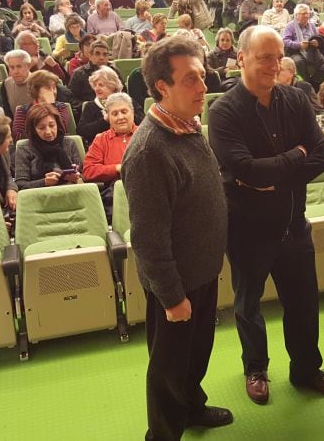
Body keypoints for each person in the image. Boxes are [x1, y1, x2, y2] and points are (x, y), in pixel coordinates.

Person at [208, 26, 324, 405]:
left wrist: (276, 174)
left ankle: (306, 369)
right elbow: (245, 169)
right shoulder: (222, 111)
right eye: (263, 57)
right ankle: (256, 368)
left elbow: (320, 155)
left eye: (277, 56)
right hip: (247, 232)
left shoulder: (297, 100)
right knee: (248, 306)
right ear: (241, 59)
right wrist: (294, 157)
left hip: (293, 225)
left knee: (304, 303)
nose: (274, 64)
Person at [121, 36, 232, 440]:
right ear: (162, 87)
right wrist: (172, 298)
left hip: (201, 271)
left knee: (195, 354)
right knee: (168, 367)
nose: (203, 87)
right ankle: (164, 433)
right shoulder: (149, 151)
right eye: (191, 79)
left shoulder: (188, 126)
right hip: (177, 284)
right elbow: (149, 238)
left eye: (203, 76)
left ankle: (191, 407)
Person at [15, 103, 82, 190]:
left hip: (70, 191)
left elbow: (83, 174)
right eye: (41, 128)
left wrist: (76, 177)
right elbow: (20, 184)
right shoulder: (24, 148)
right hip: (39, 196)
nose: (48, 132)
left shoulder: (69, 143)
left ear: (57, 124)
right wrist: (44, 182)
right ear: (34, 130)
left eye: (52, 125)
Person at [82, 92, 136, 187]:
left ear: (132, 112)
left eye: (124, 112)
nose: (120, 117)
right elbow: (88, 171)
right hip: (112, 194)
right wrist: (116, 168)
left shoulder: (146, 135)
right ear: (108, 117)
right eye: (114, 114)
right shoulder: (100, 140)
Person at [11, 70, 71, 140]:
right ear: (36, 90)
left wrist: (50, 106)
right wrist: (41, 134)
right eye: (48, 88)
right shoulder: (23, 110)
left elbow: (61, 130)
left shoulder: (61, 107)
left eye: (54, 87)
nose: (53, 91)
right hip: (32, 148)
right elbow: (18, 135)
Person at [282, 4, 324, 91]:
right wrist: (299, 45)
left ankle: (315, 81)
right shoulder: (290, 26)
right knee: (299, 61)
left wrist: (316, 43)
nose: (306, 16)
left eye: (307, 13)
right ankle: (308, 83)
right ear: (296, 15)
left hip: (312, 51)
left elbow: (317, 38)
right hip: (296, 51)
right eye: (303, 14)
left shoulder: (312, 25)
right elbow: (285, 41)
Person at [78, 65, 123, 145]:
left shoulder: (125, 101)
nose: (97, 88)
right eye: (95, 85)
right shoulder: (91, 106)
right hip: (100, 146)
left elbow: (140, 121)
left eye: (101, 85)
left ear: (112, 86)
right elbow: (82, 131)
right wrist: (104, 121)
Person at [68, 40, 118, 109]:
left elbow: (122, 93)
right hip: (89, 112)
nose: (102, 57)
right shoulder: (79, 74)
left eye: (105, 54)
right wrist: (88, 107)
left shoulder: (114, 72)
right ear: (90, 56)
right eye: (97, 54)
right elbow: (71, 98)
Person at [0, 49, 33, 119]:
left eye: (19, 66)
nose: (15, 71)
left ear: (28, 66)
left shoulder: (40, 81)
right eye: (12, 67)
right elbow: (7, 113)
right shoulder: (6, 84)